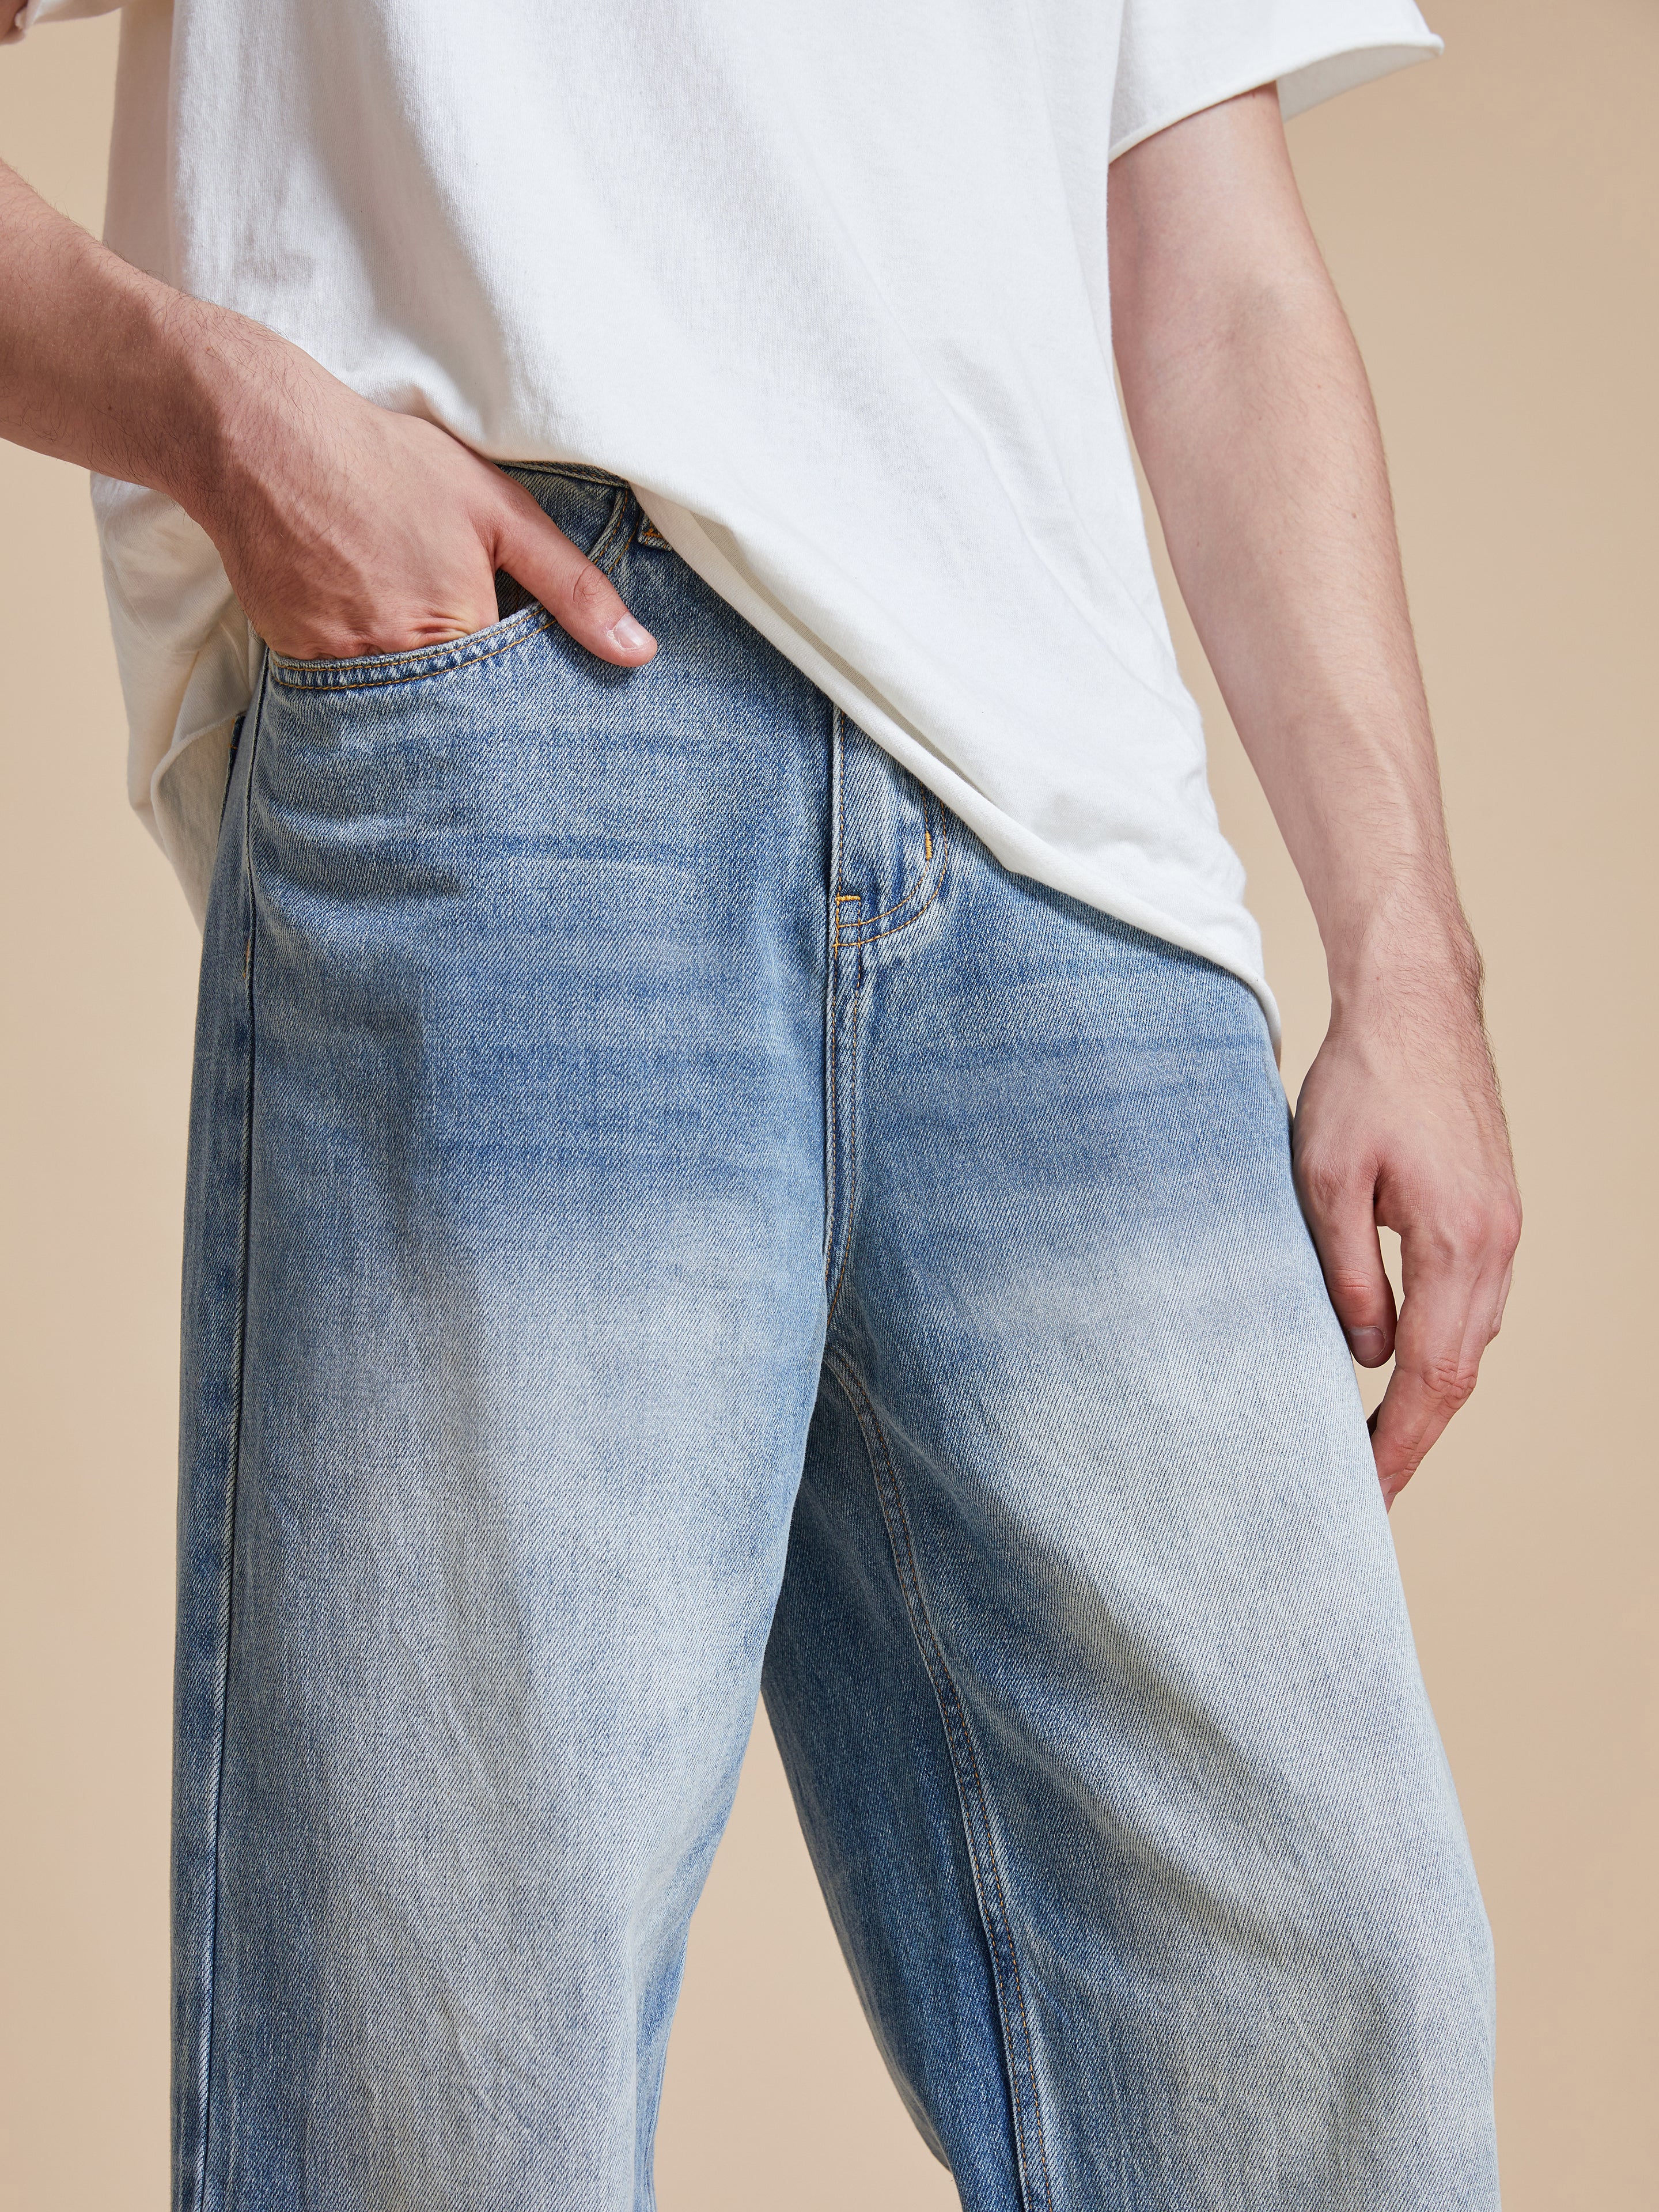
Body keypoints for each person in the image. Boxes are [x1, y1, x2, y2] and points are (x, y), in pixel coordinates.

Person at [2, 1, 1521, 2206]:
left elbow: (1221, 246)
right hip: (509, 693)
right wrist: (222, 425)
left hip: (1058, 821)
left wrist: (1406, 952)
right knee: (450, 2102)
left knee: (1321, 2058)